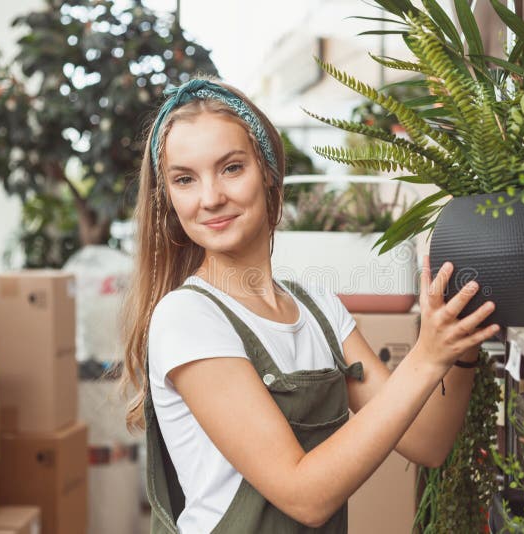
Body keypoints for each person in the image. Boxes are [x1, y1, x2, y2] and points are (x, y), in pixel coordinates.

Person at [120, 77, 500, 534]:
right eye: (185, 179)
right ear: (169, 200)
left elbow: (430, 441)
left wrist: (460, 342)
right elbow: (306, 496)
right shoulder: (188, 318)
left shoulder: (317, 309)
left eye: (231, 168)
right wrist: (424, 357)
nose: (210, 197)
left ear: (269, 173)